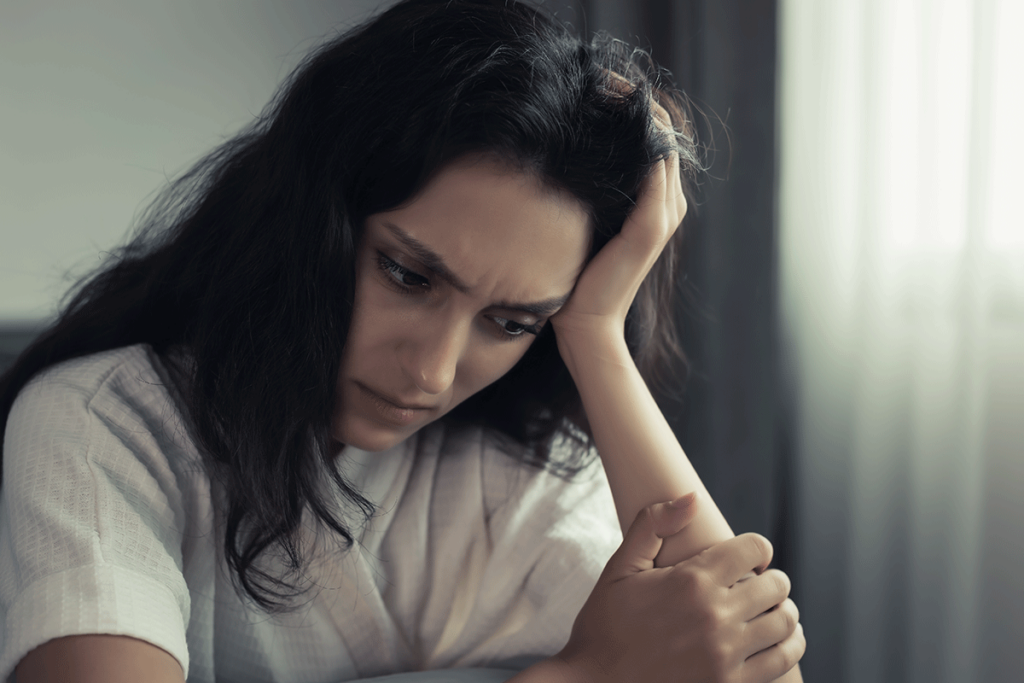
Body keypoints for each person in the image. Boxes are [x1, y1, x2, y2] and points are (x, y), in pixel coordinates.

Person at [0, 0, 804, 681]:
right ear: (308, 222)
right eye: (409, 276)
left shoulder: (517, 468)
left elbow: (750, 665)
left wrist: (595, 336)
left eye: (511, 320)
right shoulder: (103, 423)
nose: (432, 370)